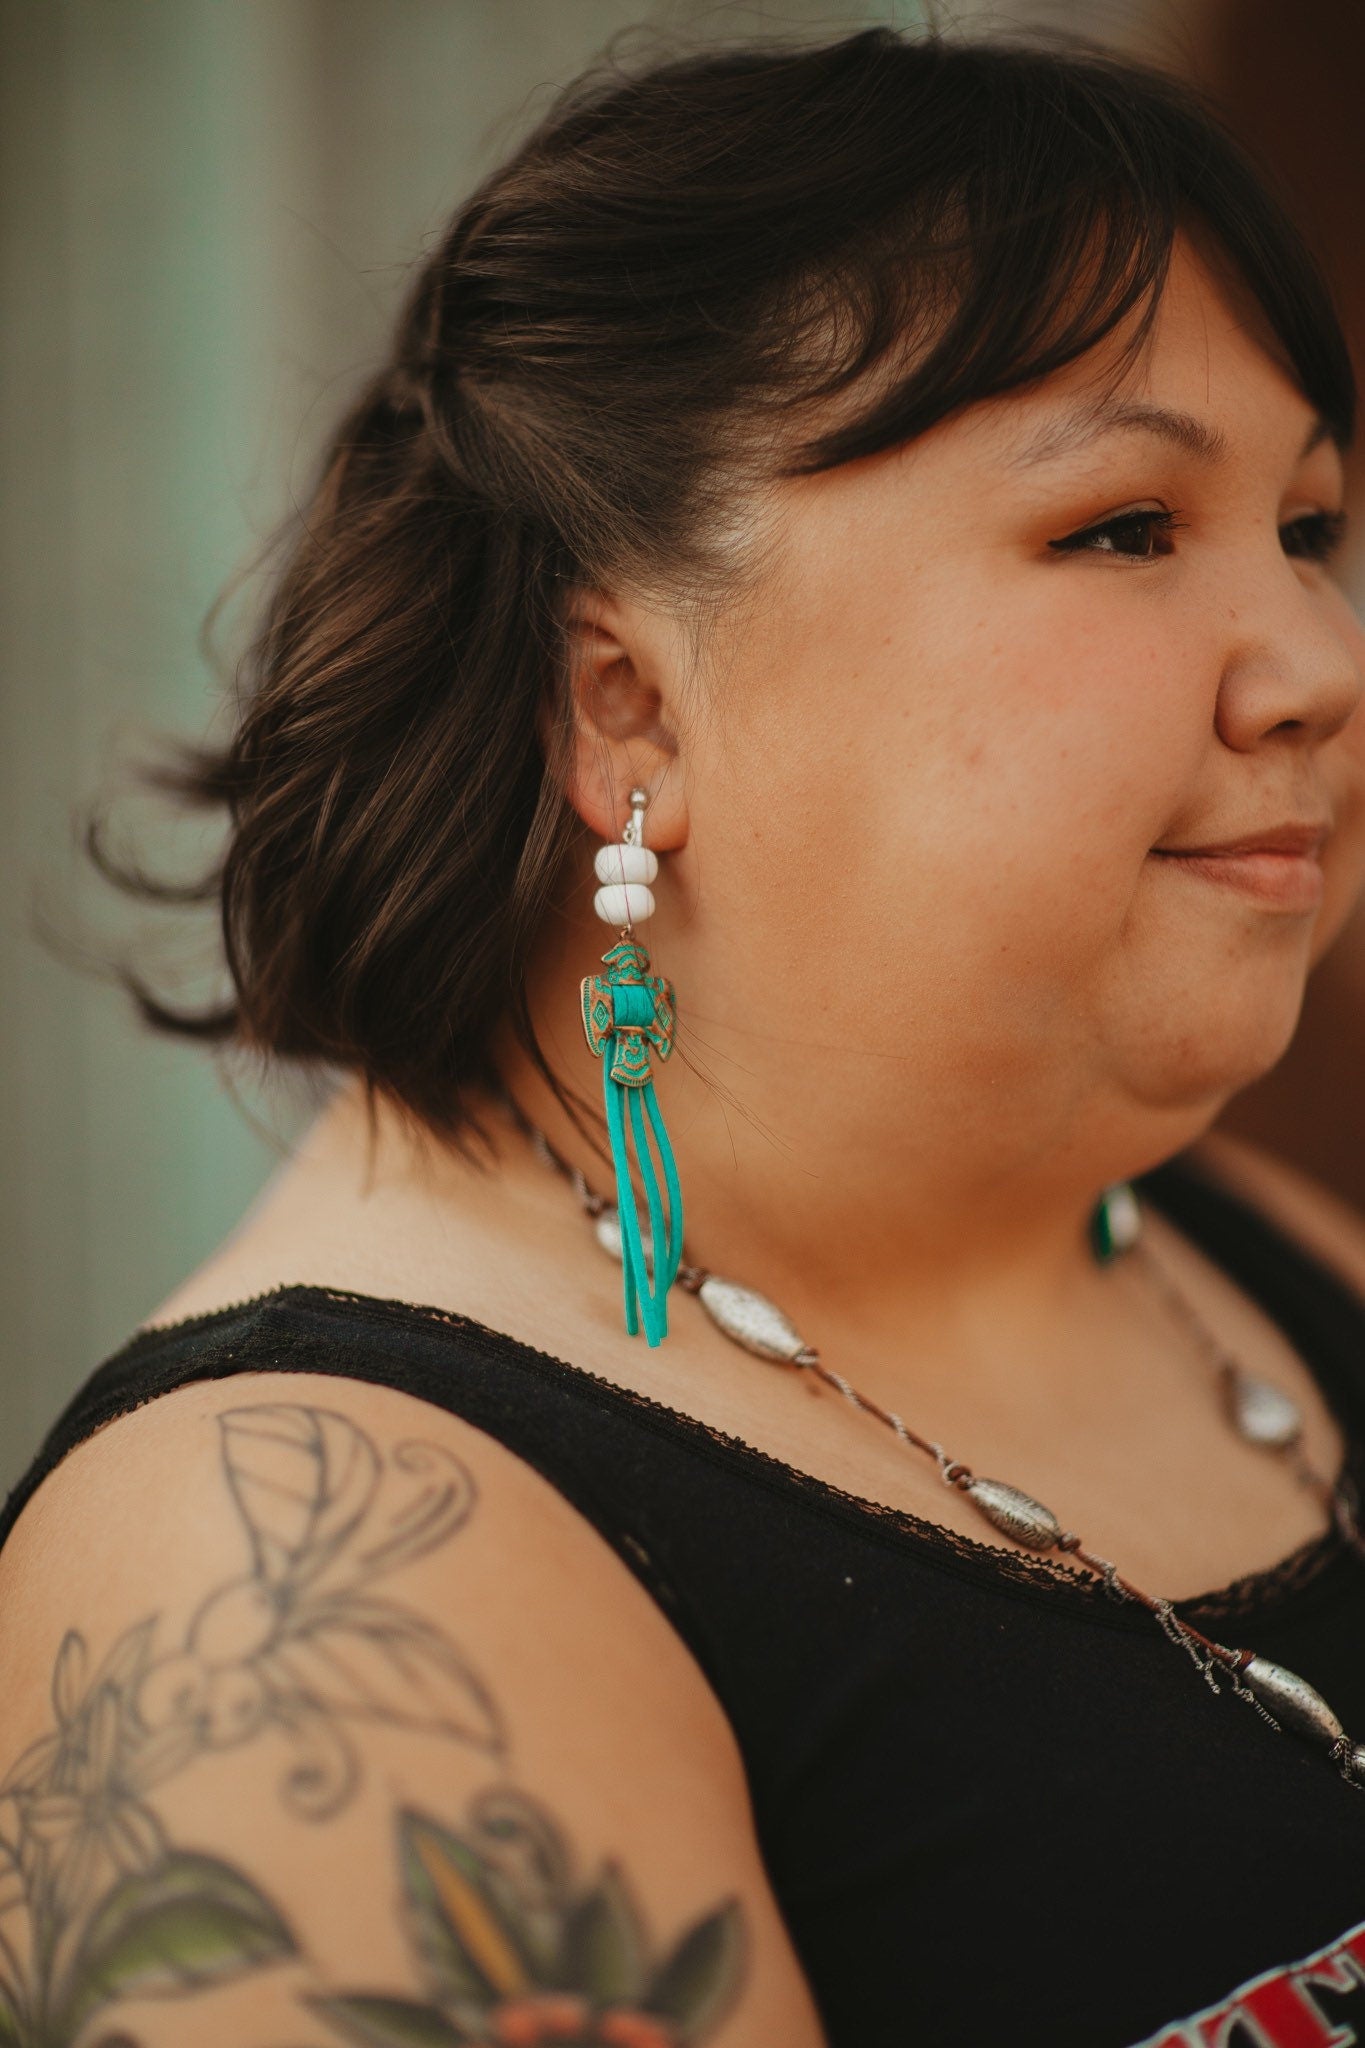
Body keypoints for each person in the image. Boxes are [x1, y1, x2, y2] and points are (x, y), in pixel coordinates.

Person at [4, 22, 1365, 2047]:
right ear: (625, 707)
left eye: (1312, 531)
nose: (1317, 667)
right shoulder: (294, 1590)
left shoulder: (1233, 1246)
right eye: (1119, 529)